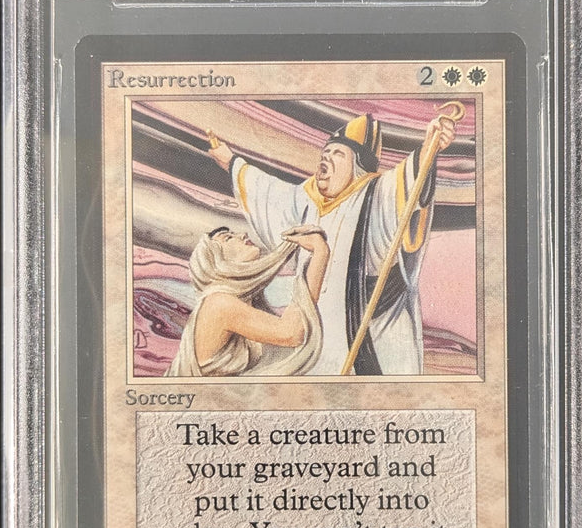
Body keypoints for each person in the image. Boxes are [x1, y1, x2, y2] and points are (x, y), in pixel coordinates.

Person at [205, 111, 456, 375]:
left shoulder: (375, 193)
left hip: (374, 342)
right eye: (325, 152)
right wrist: (231, 162)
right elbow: (267, 191)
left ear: (357, 166)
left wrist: (430, 146)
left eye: (338, 153)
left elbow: (410, 182)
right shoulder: (307, 199)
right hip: (318, 349)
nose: (326, 157)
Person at [165, 224, 329, 377]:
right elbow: (291, 333)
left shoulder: (240, 300)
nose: (243, 234)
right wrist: (320, 253)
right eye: (228, 238)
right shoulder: (219, 303)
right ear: (216, 262)